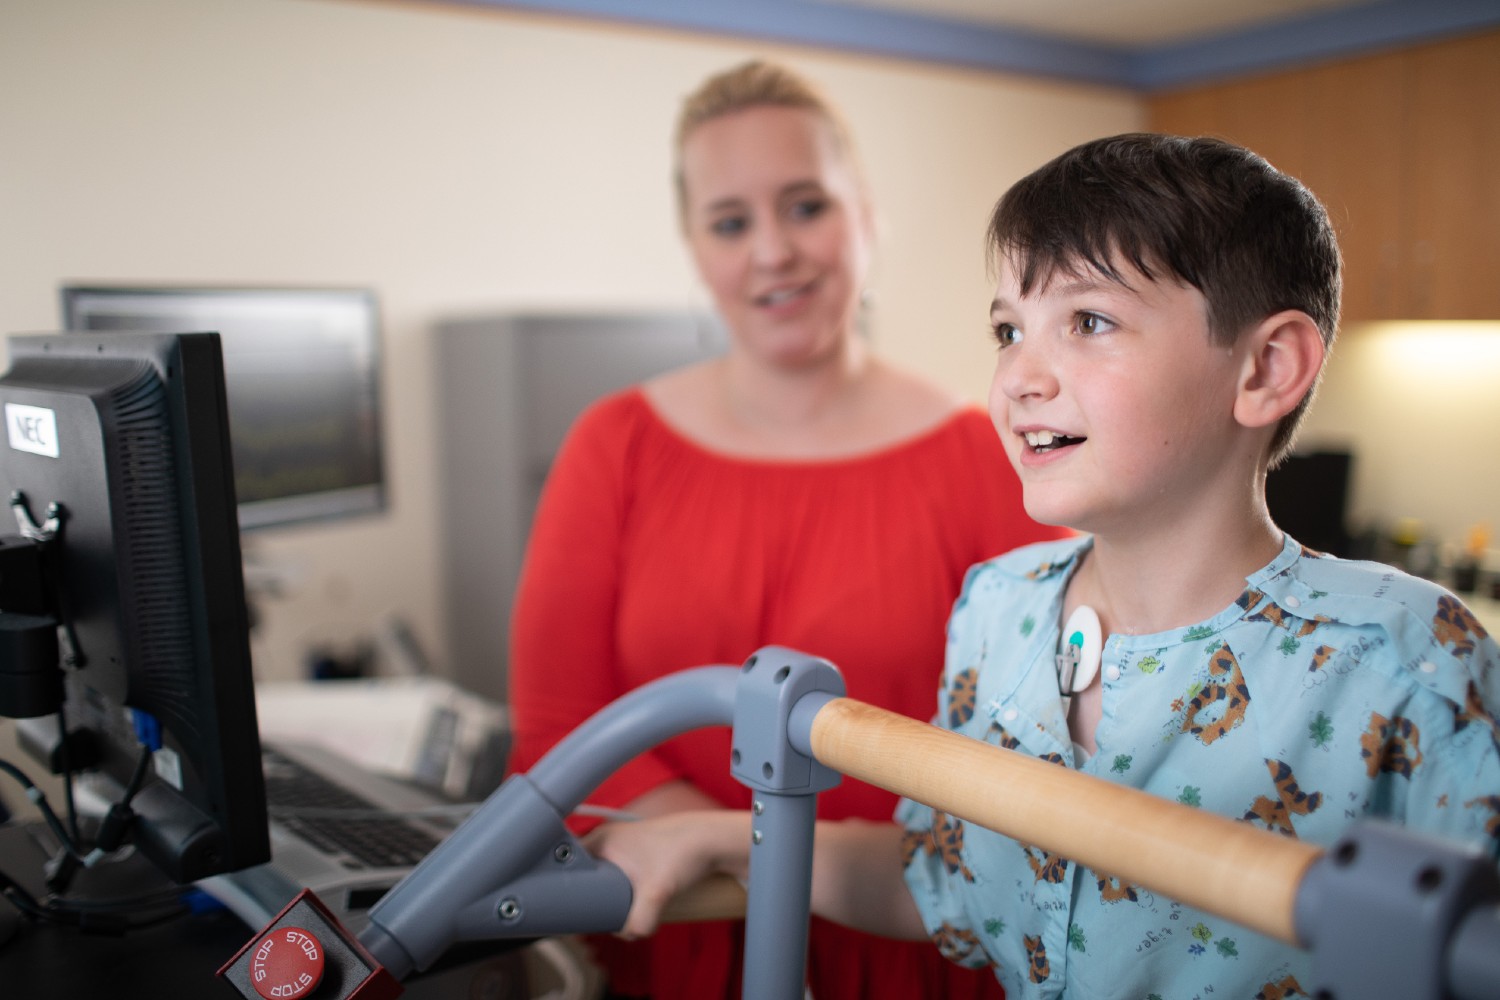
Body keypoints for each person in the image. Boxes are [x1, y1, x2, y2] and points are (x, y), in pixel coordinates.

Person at [585, 132, 1500, 998]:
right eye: (1008, 331)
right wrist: (727, 836)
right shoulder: (999, 610)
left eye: (1089, 321)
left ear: (1264, 369)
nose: (1020, 376)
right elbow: (938, 877)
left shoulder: (1406, 661)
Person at [506, 59, 1067, 999]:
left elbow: (1032, 757)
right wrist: (718, 858)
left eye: (806, 206)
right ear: (696, 248)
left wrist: (746, 849)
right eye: (731, 222)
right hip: (679, 932)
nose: (772, 250)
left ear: (867, 218)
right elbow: (558, 723)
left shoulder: (987, 454)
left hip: (907, 949)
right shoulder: (615, 444)